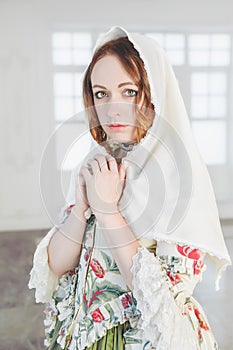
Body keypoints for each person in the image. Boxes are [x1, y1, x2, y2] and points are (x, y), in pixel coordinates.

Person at [29, 26, 231, 350]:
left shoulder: (179, 175)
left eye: (129, 91)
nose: (113, 109)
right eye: (101, 93)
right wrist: (81, 211)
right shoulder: (96, 160)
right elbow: (57, 264)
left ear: (154, 94)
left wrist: (108, 212)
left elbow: (162, 306)